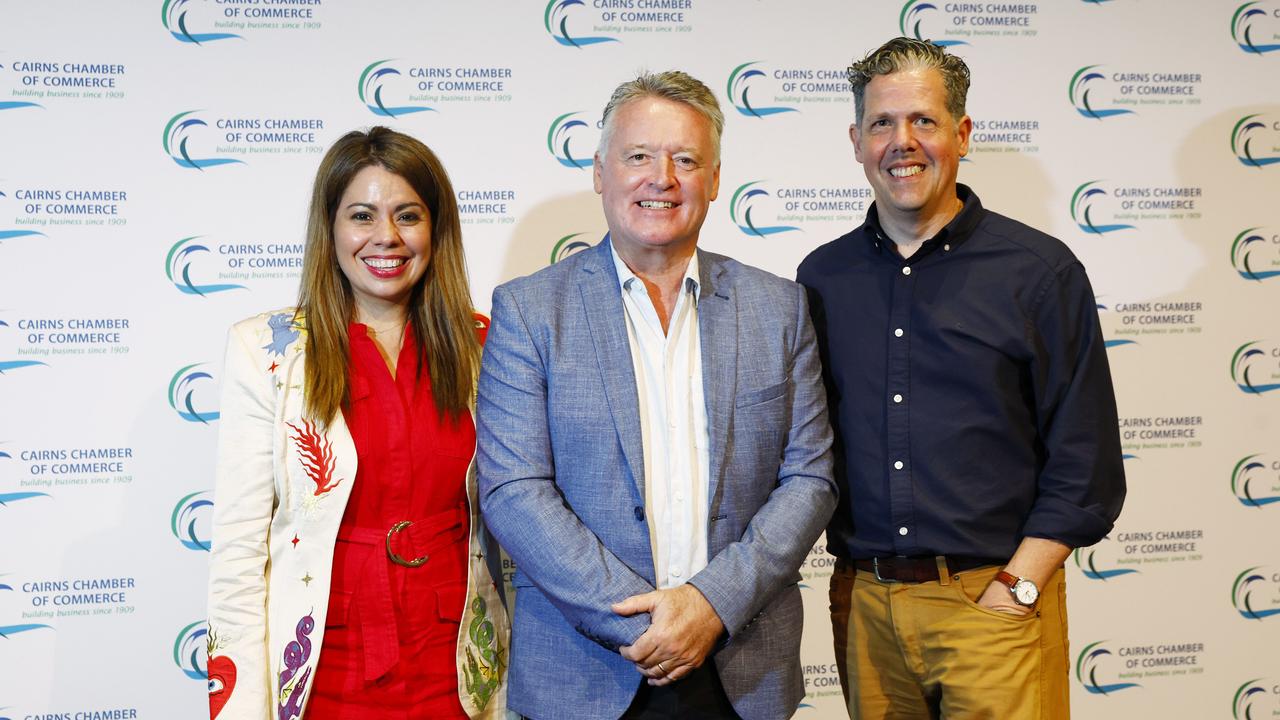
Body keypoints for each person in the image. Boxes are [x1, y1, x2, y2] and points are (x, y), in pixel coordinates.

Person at [476, 70, 837, 720]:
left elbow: (809, 478)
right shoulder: (530, 311)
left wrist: (710, 605)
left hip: (741, 673)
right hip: (584, 675)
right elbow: (514, 489)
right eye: (638, 156)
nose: (661, 178)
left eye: (686, 159)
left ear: (716, 178)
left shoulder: (778, 308)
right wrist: (643, 623)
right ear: (599, 171)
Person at [797, 37, 1125, 719]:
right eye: (883, 123)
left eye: (923, 120)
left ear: (962, 133)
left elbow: (1086, 461)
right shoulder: (821, 278)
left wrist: (1020, 588)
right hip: (866, 609)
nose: (902, 142)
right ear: (856, 140)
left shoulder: (1039, 272)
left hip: (993, 602)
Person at [206, 127, 508, 720]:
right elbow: (237, 556)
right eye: (362, 215)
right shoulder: (266, 353)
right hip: (324, 666)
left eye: (408, 215)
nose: (386, 237)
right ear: (331, 229)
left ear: (436, 228)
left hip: (459, 669)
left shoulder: (487, 345)